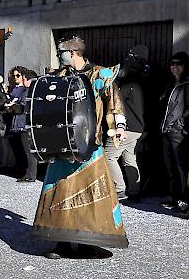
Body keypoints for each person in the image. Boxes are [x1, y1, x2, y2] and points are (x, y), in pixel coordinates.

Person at [33, 36, 129, 259]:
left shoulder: (99, 75)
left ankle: (88, 243)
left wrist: (119, 125)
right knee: (60, 193)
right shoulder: (59, 77)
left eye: (61, 52)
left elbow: (113, 102)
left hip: (89, 144)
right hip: (62, 143)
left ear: (74, 52)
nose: (59, 56)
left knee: (92, 194)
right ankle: (62, 244)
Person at [104, 45, 147, 201]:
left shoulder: (129, 82)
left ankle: (119, 189)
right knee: (129, 158)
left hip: (125, 127)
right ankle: (134, 191)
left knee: (108, 156)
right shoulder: (144, 79)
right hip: (137, 128)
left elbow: (116, 100)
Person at [159, 52, 189, 212]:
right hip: (166, 131)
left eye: (179, 64)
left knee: (181, 167)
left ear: (185, 66)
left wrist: (178, 125)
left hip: (179, 133)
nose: (175, 67)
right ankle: (173, 196)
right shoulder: (171, 83)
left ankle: (184, 198)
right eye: (172, 64)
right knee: (170, 167)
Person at [5, 68, 37, 181]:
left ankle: (30, 175)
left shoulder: (28, 91)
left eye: (23, 79)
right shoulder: (29, 90)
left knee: (28, 151)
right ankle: (26, 172)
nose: (22, 81)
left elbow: (23, 108)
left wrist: (12, 107)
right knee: (25, 151)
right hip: (24, 124)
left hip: (25, 124)